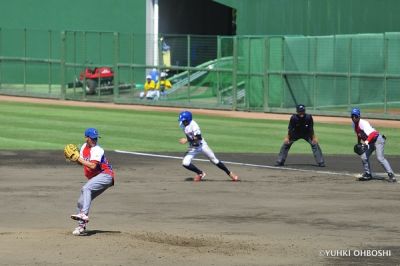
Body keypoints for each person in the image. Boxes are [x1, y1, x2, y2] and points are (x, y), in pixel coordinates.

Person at [70, 128, 115, 236]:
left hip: (106, 175)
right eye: (92, 139)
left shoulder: (97, 150)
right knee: (81, 201)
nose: (95, 140)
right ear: (86, 138)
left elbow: (93, 165)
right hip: (96, 178)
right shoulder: (84, 148)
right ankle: (81, 227)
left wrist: (78, 159)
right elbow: (82, 163)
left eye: (96, 138)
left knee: (86, 188)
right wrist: (74, 159)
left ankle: (84, 215)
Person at [178, 110, 239, 182]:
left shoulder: (194, 126)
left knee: (214, 160)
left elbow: (198, 138)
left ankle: (230, 173)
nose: (182, 122)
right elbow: (189, 135)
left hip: (202, 145)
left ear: (188, 119)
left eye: (184, 120)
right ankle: (200, 173)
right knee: (185, 163)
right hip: (193, 147)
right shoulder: (182, 124)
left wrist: (186, 140)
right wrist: (189, 140)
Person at [350, 108, 396, 182]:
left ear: (359, 116)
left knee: (380, 158)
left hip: (378, 140)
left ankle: (391, 175)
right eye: (352, 116)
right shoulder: (353, 125)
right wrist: (359, 143)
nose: (354, 118)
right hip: (370, 142)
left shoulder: (363, 123)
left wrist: (366, 142)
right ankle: (368, 174)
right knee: (364, 157)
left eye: (355, 116)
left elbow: (373, 133)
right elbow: (359, 134)